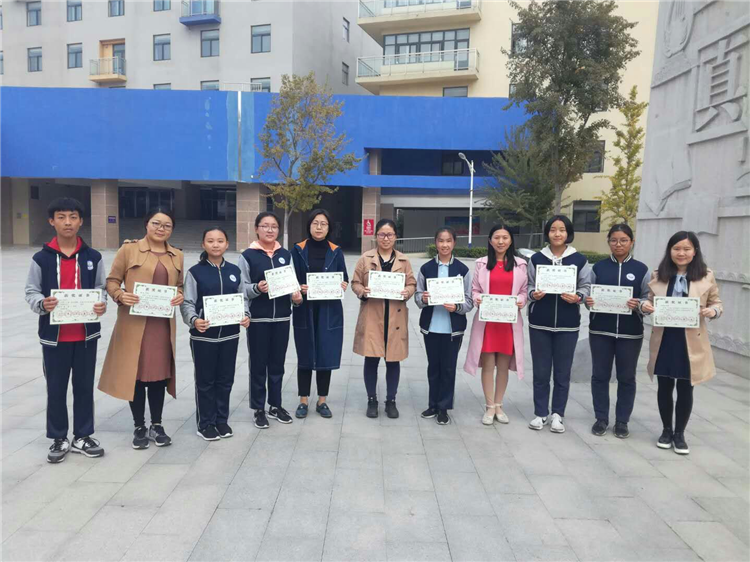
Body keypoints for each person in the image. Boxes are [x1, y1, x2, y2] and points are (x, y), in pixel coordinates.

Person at [24, 197, 107, 463]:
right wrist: (42, 304)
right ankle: (59, 437)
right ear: (52, 221)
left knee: (84, 387)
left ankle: (82, 435)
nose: (67, 222)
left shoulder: (93, 257)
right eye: (61, 217)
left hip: (85, 335)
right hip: (54, 337)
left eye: (73, 217)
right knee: (56, 388)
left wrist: (101, 304)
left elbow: (101, 288)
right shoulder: (41, 258)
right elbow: (31, 291)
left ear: (81, 221)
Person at [99, 208, 184, 449]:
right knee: (134, 373)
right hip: (133, 324)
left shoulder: (177, 255)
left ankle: (157, 424)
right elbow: (112, 280)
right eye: (156, 223)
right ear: (146, 224)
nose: (161, 229)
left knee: (158, 375)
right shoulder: (129, 250)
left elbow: (179, 285)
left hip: (161, 325)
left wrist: (179, 295)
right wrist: (120, 295)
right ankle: (139, 426)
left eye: (167, 225)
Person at [642, 231, 722, 455]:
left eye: (686, 249)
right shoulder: (659, 275)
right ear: (670, 251)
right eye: (677, 248)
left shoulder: (706, 275)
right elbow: (649, 301)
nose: (681, 253)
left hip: (691, 339)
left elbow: (717, 302)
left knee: (686, 387)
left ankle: (680, 434)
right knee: (664, 385)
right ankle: (666, 431)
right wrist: (645, 307)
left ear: (695, 251)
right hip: (665, 337)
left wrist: (713, 311)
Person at [181, 227, 250, 441]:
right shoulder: (195, 272)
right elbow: (187, 301)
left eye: (220, 240)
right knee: (205, 381)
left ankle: (221, 420)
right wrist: (194, 320)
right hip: (203, 336)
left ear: (227, 244)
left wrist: (245, 315)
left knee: (225, 379)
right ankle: (205, 423)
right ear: (203, 244)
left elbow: (242, 298)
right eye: (210, 241)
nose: (215, 244)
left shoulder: (234, 271)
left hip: (230, 335)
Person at [527, 215, 592, 434]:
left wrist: (578, 297)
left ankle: (557, 414)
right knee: (541, 372)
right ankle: (540, 413)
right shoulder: (537, 259)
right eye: (553, 229)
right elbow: (528, 285)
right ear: (547, 233)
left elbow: (586, 286)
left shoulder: (579, 260)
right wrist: (533, 294)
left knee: (563, 373)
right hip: (540, 324)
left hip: (568, 325)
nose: (557, 234)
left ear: (568, 233)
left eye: (562, 230)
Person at [239, 212, 303, 429]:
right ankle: (258, 408)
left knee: (277, 365)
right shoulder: (247, 256)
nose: (269, 230)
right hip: (258, 319)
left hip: (282, 318)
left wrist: (296, 297)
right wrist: (257, 288)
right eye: (265, 226)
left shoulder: (285, 254)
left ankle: (275, 405)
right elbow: (241, 288)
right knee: (258, 365)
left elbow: (292, 283)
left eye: (274, 226)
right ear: (256, 229)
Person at [585, 224, 649, 439]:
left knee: (627, 377)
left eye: (623, 240)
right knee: (600, 376)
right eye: (614, 240)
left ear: (632, 242)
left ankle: (622, 421)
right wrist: (588, 301)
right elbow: (588, 295)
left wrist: (639, 304)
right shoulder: (599, 268)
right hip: (600, 331)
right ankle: (601, 418)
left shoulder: (641, 269)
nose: (618, 244)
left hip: (631, 333)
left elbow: (648, 299)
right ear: (609, 242)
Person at [351, 218, 416, 419]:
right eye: (382, 234)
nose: (386, 238)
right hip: (373, 316)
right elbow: (355, 282)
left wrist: (407, 292)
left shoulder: (404, 261)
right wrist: (362, 291)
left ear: (395, 237)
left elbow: (412, 283)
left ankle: (391, 400)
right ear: (376, 236)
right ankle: (372, 400)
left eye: (390, 235)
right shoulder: (365, 258)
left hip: (395, 318)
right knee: (371, 359)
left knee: (393, 361)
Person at [463, 224, 528, 425]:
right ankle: (489, 406)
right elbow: (474, 289)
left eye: (505, 237)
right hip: (488, 322)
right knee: (488, 365)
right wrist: (478, 298)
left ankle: (499, 405)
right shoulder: (482, 263)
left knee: (503, 366)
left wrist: (521, 300)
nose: (501, 241)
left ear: (511, 240)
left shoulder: (520, 264)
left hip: (508, 323)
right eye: (497, 237)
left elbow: (524, 291)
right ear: (490, 241)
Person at [291, 209, 349, 419]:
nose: (319, 227)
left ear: (329, 227)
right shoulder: (298, 250)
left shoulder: (336, 251)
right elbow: (290, 278)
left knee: (326, 353)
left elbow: (344, 277)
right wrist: (298, 288)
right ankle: (303, 400)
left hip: (328, 310)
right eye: (315, 223)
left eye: (323, 224)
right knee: (305, 353)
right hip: (305, 308)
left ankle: (322, 400)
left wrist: (342, 284)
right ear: (309, 225)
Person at [414, 227, 473, 425]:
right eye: (441, 240)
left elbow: (469, 301)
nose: (444, 245)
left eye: (448, 241)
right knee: (433, 367)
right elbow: (417, 296)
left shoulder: (463, 270)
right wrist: (423, 298)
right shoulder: (426, 268)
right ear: (435, 243)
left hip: (452, 329)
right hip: (431, 327)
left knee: (448, 368)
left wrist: (456, 307)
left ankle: (444, 407)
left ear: (454, 243)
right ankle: (432, 404)